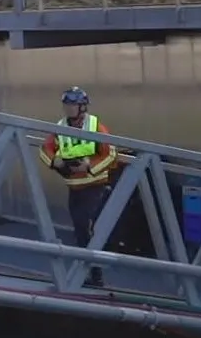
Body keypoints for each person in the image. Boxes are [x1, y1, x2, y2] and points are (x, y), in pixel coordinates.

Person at [39, 86, 117, 287]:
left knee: (87, 229)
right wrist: (55, 161)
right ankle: (90, 274)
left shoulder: (95, 126)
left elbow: (110, 154)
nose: (68, 109)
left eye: (72, 105)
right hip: (74, 188)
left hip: (95, 187)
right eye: (66, 105)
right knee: (80, 231)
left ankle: (95, 276)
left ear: (82, 107)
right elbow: (44, 149)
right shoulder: (60, 127)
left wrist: (89, 166)